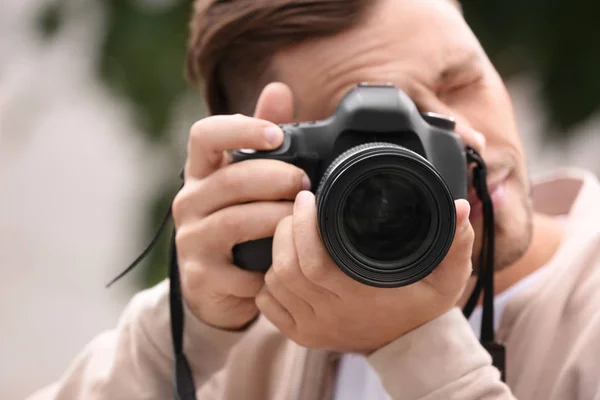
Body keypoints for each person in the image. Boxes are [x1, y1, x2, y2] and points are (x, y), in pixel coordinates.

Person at [28, 0, 600, 399]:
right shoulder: (270, 336)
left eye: (458, 82)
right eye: (384, 136)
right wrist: (183, 336)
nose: (469, 139)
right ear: (277, 165)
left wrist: (414, 349)